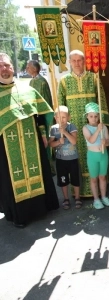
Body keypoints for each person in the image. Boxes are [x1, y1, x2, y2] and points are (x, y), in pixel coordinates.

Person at [0, 52, 59, 228]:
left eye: (7, 65)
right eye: (1, 66)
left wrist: (43, 134)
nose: (5, 69)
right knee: (11, 179)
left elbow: (40, 115)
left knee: (38, 171)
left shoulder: (27, 89)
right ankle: (19, 215)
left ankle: (41, 209)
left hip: (32, 141)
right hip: (6, 148)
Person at [58, 50, 109, 197]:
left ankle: (100, 190)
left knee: (95, 152)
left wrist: (103, 124)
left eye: (79, 60)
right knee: (77, 154)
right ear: (69, 62)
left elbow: (102, 101)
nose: (76, 63)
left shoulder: (93, 78)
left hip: (93, 123)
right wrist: (62, 125)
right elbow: (60, 105)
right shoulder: (64, 80)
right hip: (73, 126)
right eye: (73, 60)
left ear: (84, 61)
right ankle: (79, 190)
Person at [49, 106, 81, 210]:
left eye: (64, 117)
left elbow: (74, 141)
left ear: (68, 117)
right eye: (59, 117)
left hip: (72, 159)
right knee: (63, 180)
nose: (61, 119)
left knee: (75, 179)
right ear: (55, 118)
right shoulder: (53, 129)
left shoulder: (71, 127)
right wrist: (58, 142)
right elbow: (51, 144)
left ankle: (77, 198)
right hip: (61, 160)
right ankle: (66, 199)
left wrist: (65, 132)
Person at [82, 102, 109, 209]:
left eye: (96, 116)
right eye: (91, 116)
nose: (94, 119)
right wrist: (98, 130)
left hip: (103, 155)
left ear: (99, 116)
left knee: (103, 177)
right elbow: (91, 140)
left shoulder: (103, 127)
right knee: (94, 178)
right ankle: (96, 199)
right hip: (92, 156)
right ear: (87, 117)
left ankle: (104, 197)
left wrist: (106, 142)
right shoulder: (85, 128)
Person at [26, 60, 54, 173]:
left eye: (28, 67)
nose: (27, 68)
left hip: (42, 115)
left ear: (34, 69)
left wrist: (43, 113)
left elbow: (46, 100)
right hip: (34, 114)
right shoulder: (31, 81)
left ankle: (49, 167)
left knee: (45, 138)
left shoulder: (42, 82)